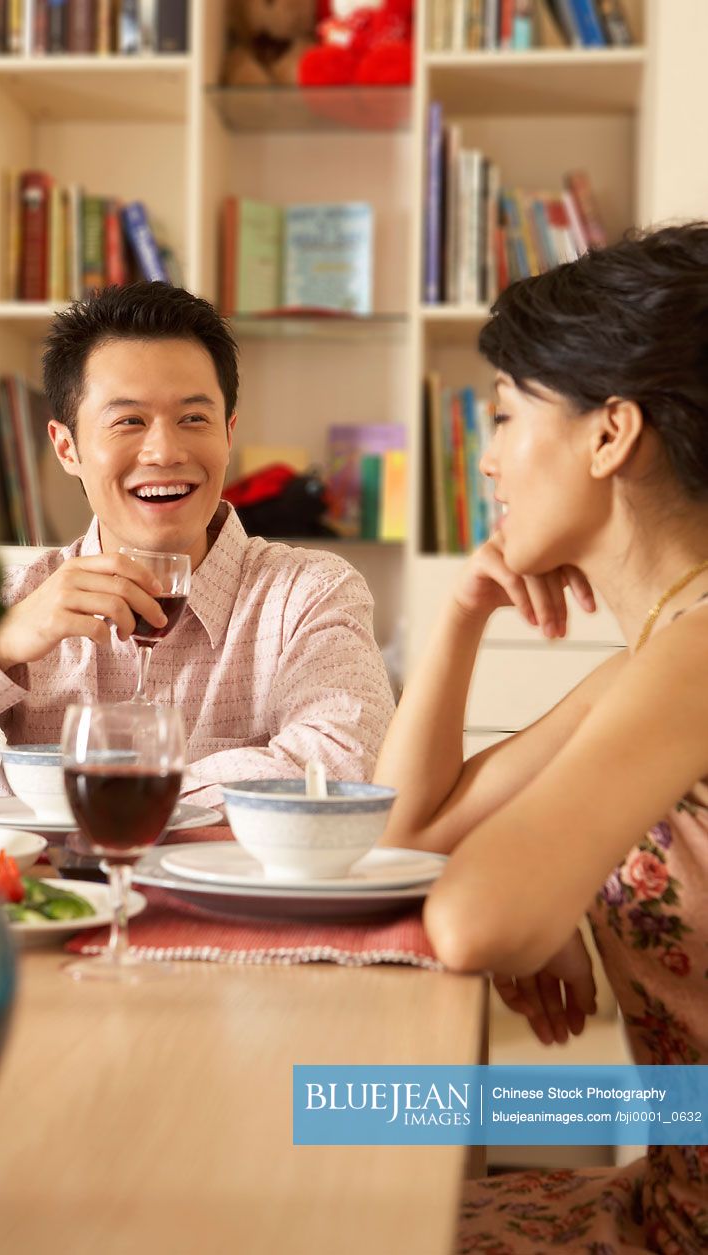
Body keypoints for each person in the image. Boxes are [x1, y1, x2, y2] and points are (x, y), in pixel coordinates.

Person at [374, 224, 708, 1252]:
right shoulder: (656, 657)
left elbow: (477, 922)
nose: (488, 462)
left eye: (508, 416)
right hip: (669, 1189)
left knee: (320, 1168)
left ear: (611, 434)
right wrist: (462, 614)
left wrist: (538, 887)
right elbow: (399, 833)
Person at [0, 282, 394, 807]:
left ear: (228, 434)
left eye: (194, 418)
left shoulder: (310, 595)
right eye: (128, 421)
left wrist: (128, 790)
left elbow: (346, 760)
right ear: (66, 447)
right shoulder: (18, 595)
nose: (165, 451)